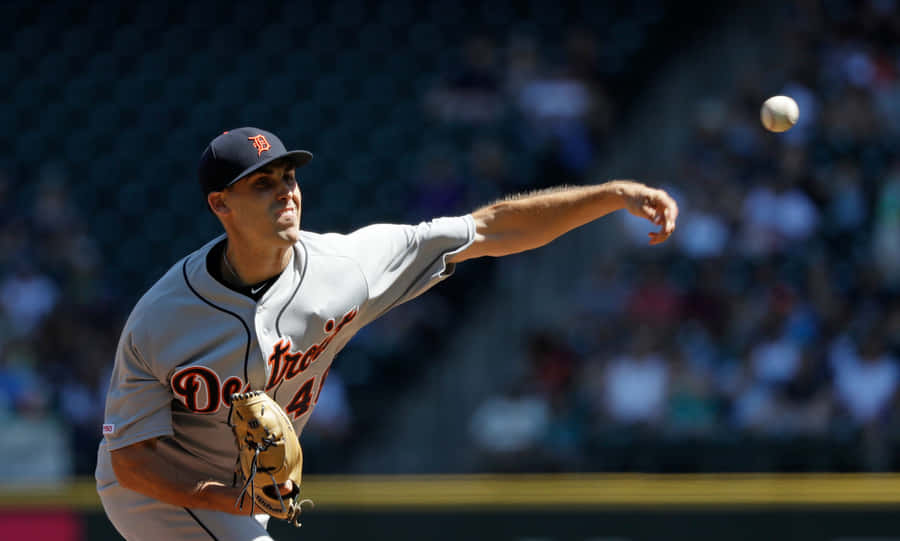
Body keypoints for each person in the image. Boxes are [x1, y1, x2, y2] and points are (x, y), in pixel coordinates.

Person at [94, 127, 678, 540]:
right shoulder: (163, 319)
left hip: (245, 497)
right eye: (261, 184)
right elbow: (130, 461)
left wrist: (610, 196)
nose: (285, 191)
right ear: (220, 204)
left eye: (287, 176)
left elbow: (488, 228)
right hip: (159, 494)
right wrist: (227, 498)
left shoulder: (345, 267)